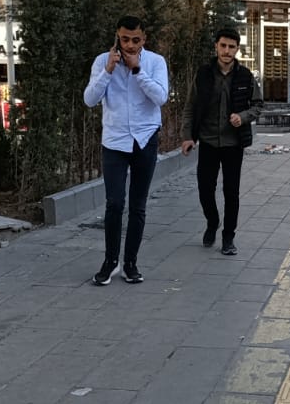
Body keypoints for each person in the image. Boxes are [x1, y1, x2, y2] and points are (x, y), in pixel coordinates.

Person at [83, 15, 170, 286]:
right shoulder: (103, 61)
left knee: (138, 205)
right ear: (117, 37)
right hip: (115, 142)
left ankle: (130, 262)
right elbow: (90, 99)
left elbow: (160, 97)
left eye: (135, 40)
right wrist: (109, 70)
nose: (130, 45)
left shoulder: (155, 62)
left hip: (145, 139)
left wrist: (137, 70)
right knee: (114, 203)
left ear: (144, 39)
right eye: (124, 39)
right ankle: (110, 261)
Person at [181, 27, 262, 256]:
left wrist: (243, 117)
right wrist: (187, 136)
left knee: (231, 192)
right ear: (216, 46)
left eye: (231, 47)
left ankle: (228, 237)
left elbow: (258, 105)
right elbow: (190, 106)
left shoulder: (245, 76)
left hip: (233, 144)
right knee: (205, 189)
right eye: (223, 45)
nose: (227, 51)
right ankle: (212, 220)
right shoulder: (203, 74)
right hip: (207, 141)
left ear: (237, 49)